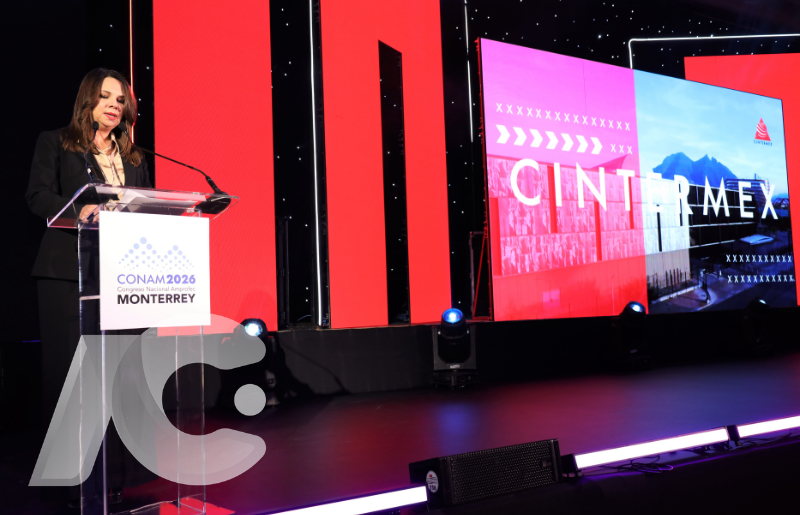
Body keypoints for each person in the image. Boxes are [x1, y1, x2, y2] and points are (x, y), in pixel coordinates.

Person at [26, 68, 153, 507]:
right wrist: (78, 211)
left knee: (117, 377)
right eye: (105, 96)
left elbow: (146, 206)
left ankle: (114, 477)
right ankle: (69, 482)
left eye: (120, 99)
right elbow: (38, 196)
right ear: (88, 100)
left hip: (121, 276)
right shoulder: (58, 143)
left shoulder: (134, 158)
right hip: (68, 274)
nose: (114, 105)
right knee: (71, 379)